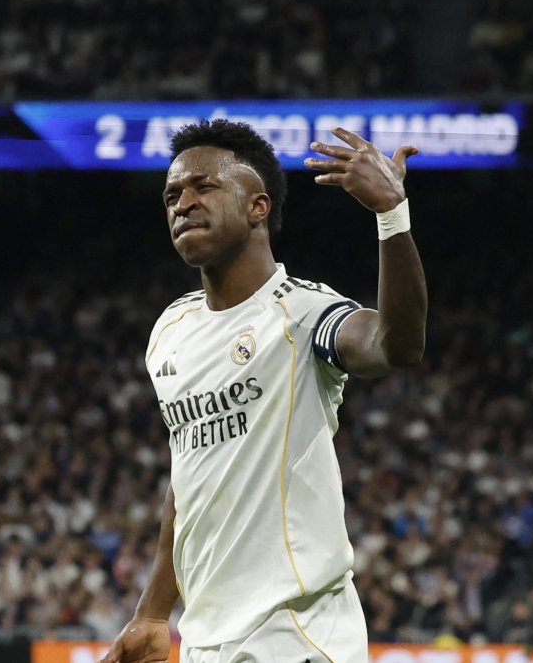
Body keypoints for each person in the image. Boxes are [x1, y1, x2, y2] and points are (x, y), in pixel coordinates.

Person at [101, 119, 427, 663]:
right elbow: (189, 476)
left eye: (205, 186)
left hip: (295, 633)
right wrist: (155, 613)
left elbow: (397, 345)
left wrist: (391, 217)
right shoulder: (170, 331)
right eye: (172, 195)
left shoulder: (302, 313)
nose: (183, 204)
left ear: (258, 207)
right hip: (206, 639)